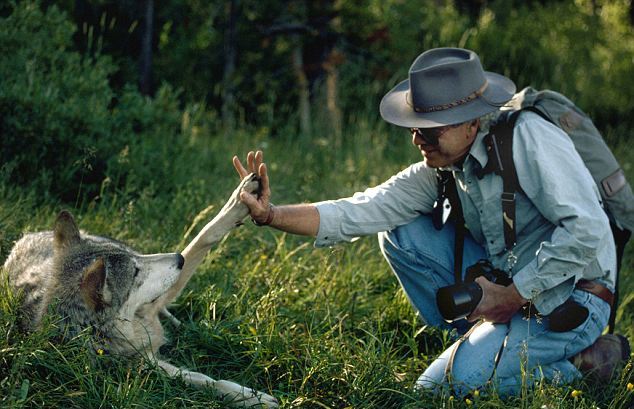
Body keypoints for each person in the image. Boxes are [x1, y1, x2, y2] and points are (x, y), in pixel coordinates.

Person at [232, 48, 630, 396]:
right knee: (399, 231)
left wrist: (514, 296)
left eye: (430, 128)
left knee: (441, 390)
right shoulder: (443, 167)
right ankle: (479, 340)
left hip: (573, 297)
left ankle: (585, 364)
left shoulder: (528, 138)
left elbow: (588, 232)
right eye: (414, 127)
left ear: (472, 121)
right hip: (510, 286)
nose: (417, 139)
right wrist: (271, 215)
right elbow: (359, 210)